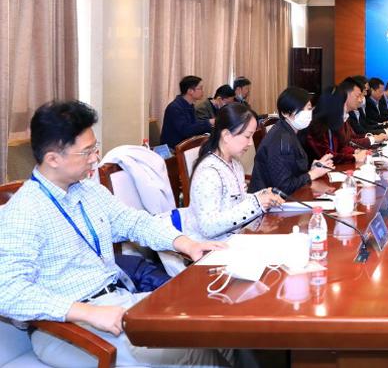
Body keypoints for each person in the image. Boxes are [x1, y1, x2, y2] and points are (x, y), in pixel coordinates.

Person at [0, 100, 229, 367]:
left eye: (94, 148)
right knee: (195, 351)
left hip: (118, 301)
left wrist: (185, 243)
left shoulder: (88, 190)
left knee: (217, 325)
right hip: (67, 328)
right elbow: (8, 290)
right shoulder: (24, 211)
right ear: (53, 158)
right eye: (86, 152)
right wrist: (87, 313)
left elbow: (133, 222)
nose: (95, 158)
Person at [185, 103, 285, 241]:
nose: (250, 143)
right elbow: (208, 227)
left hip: (235, 238)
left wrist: (262, 196)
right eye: (247, 136)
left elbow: (236, 202)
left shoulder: (235, 165)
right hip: (212, 246)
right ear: (226, 135)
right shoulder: (209, 172)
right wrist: (257, 203)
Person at [250, 87, 334, 195]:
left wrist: (312, 169)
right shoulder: (281, 140)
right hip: (270, 201)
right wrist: (312, 174)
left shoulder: (287, 131)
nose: (308, 113)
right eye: (303, 109)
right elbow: (283, 187)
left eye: (309, 109)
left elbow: (292, 171)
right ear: (285, 113)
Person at [302, 87, 370, 166]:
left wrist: (355, 151)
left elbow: (340, 147)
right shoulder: (315, 126)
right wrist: (354, 157)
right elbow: (327, 155)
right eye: (343, 104)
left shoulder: (333, 122)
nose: (345, 108)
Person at [160, 75, 213, 149]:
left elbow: (195, 127)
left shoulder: (190, 106)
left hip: (186, 146)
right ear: (190, 91)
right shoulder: (174, 108)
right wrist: (208, 122)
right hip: (173, 150)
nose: (203, 91)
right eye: (200, 88)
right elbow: (186, 131)